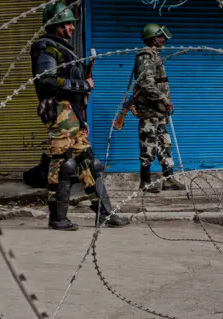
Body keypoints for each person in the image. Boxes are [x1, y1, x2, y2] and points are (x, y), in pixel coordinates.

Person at [30, 2, 130, 231]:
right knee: (63, 164)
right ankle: (57, 218)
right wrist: (82, 83)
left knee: (90, 163)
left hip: (73, 114)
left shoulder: (64, 48)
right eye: (68, 24)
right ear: (56, 24)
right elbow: (46, 79)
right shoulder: (46, 47)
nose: (72, 28)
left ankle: (104, 214)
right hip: (60, 112)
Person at [133, 23, 186, 193]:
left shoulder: (154, 55)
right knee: (148, 146)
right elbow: (146, 84)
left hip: (159, 112)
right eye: (161, 37)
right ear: (154, 39)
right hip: (149, 111)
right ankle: (145, 182)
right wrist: (164, 100)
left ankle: (168, 179)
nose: (163, 40)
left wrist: (164, 108)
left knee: (165, 145)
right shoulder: (145, 56)